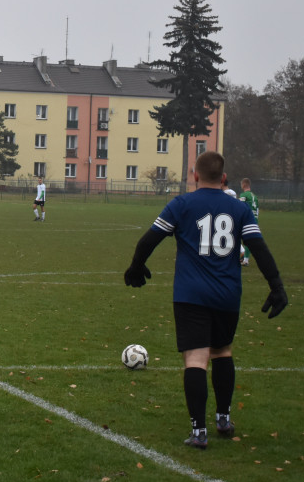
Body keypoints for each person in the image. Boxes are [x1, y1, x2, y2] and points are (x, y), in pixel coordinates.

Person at [123, 151, 288, 450]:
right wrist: (276, 286)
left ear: (196, 176)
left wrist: (136, 266)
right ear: (224, 178)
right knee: (222, 351)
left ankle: (199, 432)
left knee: (196, 359)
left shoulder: (182, 204)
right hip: (227, 295)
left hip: (191, 294)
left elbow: (149, 239)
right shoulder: (239, 209)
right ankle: (223, 419)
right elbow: (259, 248)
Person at [239, 178, 260, 266]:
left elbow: (240, 207)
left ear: (243, 185)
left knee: (236, 237)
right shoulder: (255, 196)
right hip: (254, 219)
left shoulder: (244, 195)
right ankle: (245, 259)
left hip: (246, 219)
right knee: (248, 240)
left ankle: (243, 258)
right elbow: (257, 210)